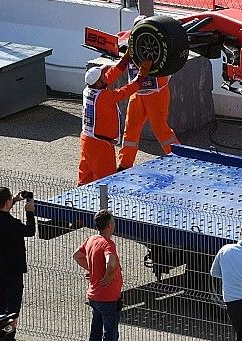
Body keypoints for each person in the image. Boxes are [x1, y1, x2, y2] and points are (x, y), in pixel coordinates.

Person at [78, 52, 152, 185]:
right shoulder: (104, 97)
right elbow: (126, 91)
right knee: (107, 182)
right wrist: (141, 76)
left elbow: (112, 74)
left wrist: (126, 58)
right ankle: (105, 205)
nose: (105, 76)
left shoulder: (89, 90)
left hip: (87, 140)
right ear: (99, 82)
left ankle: (72, 203)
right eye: (102, 76)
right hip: (100, 145)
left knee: (85, 180)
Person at [118, 16, 179, 172]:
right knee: (130, 131)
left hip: (156, 94)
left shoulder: (159, 44)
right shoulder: (129, 42)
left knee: (161, 130)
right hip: (137, 94)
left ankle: (179, 160)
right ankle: (124, 165)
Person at [73, 209, 123, 341]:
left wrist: (94, 269)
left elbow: (77, 256)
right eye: (113, 221)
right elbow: (111, 263)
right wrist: (108, 275)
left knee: (95, 331)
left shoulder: (91, 239)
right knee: (110, 334)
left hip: (94, 296)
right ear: (109, 226)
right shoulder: (108, 244)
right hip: (108, 298)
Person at [0, 187, 35, 320]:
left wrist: (13, 200)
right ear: (6, 202)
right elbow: (30, 231)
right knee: (13, 305)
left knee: (0, 299)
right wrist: (29, 212)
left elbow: (1, 209)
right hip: (12, 268)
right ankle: (8, 334)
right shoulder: (13, 224)